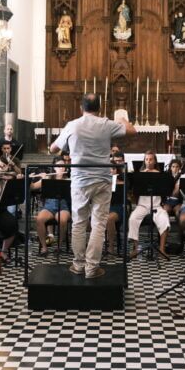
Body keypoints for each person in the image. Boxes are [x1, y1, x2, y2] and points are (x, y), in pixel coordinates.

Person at [50, 93, 136, 279]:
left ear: (81, 108)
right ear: (99, 108)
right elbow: (132, 130)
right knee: (98, 224)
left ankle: (78, 265)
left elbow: (53, 149)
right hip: (102, 180)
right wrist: (122, 118)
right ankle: (91, 268)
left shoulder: (72, 125)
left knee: (79, 223)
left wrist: (69, 142)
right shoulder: (106, 124)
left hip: (80, 181)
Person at [128, 151, 169, 259]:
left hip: (156, 206)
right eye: (146, 159)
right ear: (144, 161)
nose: (149, 161)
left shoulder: (160, 175)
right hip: (142, 206)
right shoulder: (140, 174)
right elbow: (134, 192)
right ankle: (135, 248)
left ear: (155, 161)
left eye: (151, 159)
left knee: (164, 219)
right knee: (132, 219)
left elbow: (165, 191)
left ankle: (162, 249)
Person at [30, 158, 71, 256]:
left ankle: (59, 247)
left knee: (62, 220)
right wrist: (31, 179)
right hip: (49, 207)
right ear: (54, 168)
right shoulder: (48, 178)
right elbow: (33, 187)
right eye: (58, 166)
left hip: (63, 207)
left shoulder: (68, 180)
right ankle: (44, 248)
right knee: (39, 219)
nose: (61, 168)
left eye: (63, 166)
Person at [106, 152, 127, 255]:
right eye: (109, 168)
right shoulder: (102, 181)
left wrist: (116, 183)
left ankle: (111, 246)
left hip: (118, 208)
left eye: (113, 168)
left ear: (116, 170)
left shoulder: (122, 180)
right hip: (104, 207)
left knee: (109, 219)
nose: (111, 170)